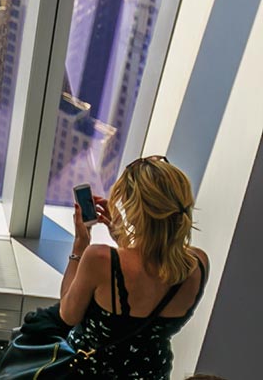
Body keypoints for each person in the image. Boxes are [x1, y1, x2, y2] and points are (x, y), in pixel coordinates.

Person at [46, 155, 210, 378]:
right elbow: (152, 276)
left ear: (135, 212)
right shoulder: (198, 264)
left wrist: (80, 246)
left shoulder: (100, 259)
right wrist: (123, 238)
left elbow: (67, 314)